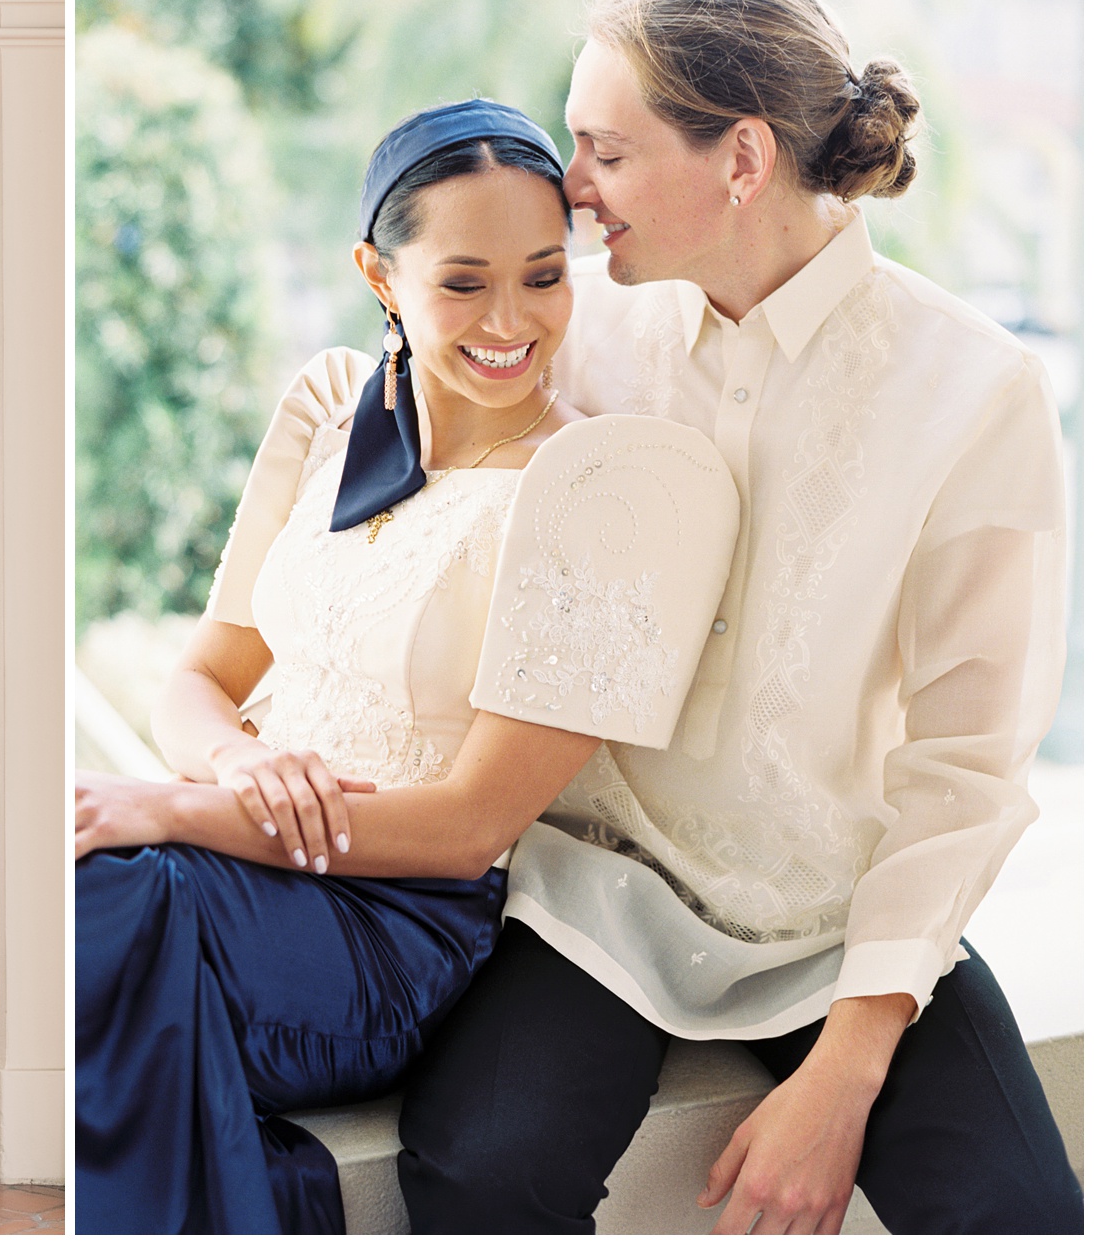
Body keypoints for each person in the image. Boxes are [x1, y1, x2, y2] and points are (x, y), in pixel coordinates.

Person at [388, 0, 1080, 1233]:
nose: (570, 189)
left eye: (602, 149)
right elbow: (392, 464)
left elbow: (967, 766)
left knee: (1018, 1215)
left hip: (840, 914)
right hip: (593, 891)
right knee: (482, 1167)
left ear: (741, 160)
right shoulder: (568, 328)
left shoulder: (973, 390)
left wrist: (848, 1067)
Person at [75, 99, 742, 1233]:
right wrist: (238, 768)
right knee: (68, 866)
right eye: (462, 280)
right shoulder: (326, 411)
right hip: (238, 852)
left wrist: (184, 809)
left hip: (388, 930)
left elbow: (464, 830)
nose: (510, 320)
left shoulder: (600, 491)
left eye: (543, 275)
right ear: (379, 277)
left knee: (105, 888)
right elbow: (199, 681)